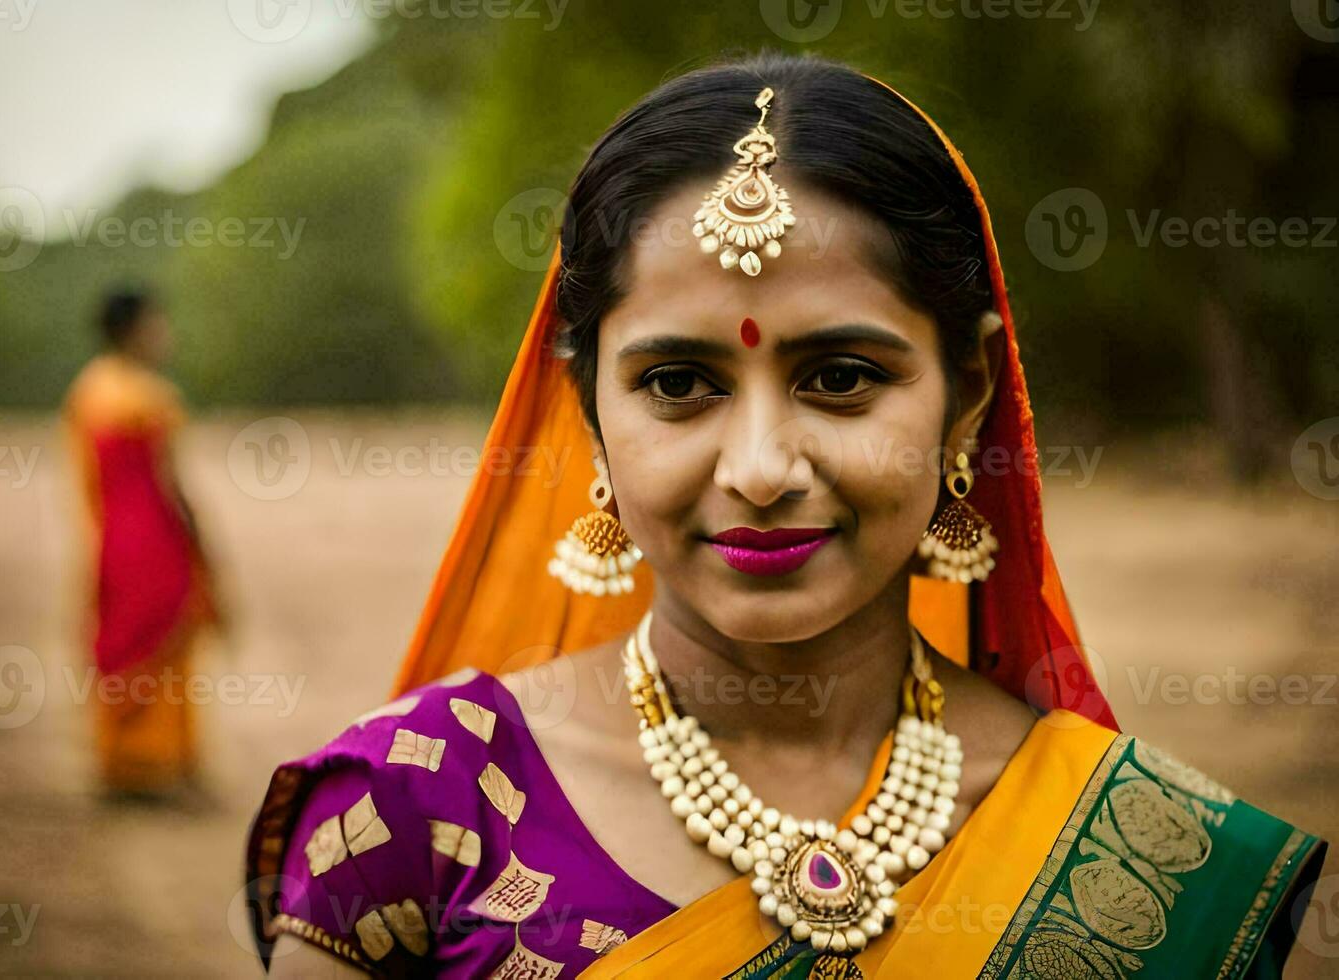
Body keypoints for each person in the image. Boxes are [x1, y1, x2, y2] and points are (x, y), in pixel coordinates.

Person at [243, 54, 1325, 977]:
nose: (761, 469)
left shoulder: (1160, 856)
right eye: (677, 384)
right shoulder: (415, 811)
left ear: (971, 396)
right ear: (590, 410)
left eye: (843, 375)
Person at [64, 287, 220, 800]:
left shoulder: (87, 392)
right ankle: (163, 763)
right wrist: (201, 544)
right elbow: (171, 485)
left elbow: (86, 480)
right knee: (166, 639)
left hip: (111, 535)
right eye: (157, 322)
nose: (164, 333)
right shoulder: (151, 398)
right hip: (154, 536)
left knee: (123, 636)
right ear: (133, 330)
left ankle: (121, 763)